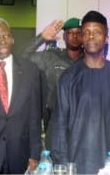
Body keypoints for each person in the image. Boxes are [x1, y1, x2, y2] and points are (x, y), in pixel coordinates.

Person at [51, 10, 110, 174]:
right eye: (86, 33)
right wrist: (63, 166)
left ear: (106, 38)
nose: (91, 37)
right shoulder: (68, 78)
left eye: (97, 32)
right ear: (82, 38)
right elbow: (59, 127)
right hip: (76, 164)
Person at [0, 17, 42, 174]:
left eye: (6, 36)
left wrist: (35, 154)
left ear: (12, 38)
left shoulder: (30, 70)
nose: (2, 41)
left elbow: (34, 117)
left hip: (20, 156)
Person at [20, 18, 83, 149]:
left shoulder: (89, 61)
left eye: (79, 32)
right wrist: (41, 37)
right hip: (55, 124)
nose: (75, 36)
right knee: (55, 164)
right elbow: (22, 56)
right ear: (65, 36)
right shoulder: (51, 57)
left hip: (83, 124)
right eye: (71, 32)